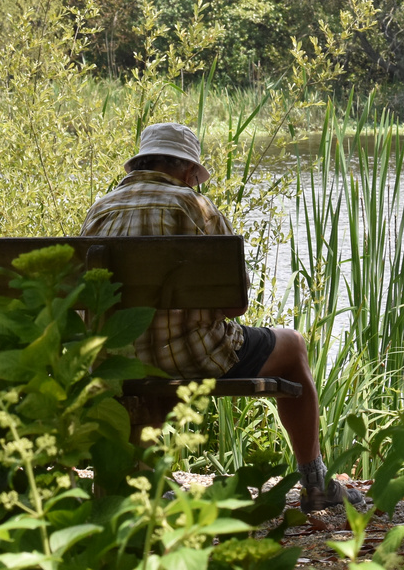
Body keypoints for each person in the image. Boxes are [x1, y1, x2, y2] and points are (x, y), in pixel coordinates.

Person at [82, 121, 352, 511]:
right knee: (293, 345)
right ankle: (316, 481)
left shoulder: (99, 210)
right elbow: (234, 305)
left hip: (115, 360)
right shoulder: (196, 207)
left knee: (145, 365)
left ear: (139, 164)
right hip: (191, 358)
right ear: (189, 171)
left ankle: (139, 484)